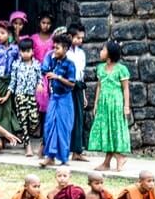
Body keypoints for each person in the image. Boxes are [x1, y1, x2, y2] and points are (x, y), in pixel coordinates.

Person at [88, 41, 131, 172]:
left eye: (103, 50)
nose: (100, 52)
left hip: (116, 103)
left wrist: (126, 106)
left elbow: (125, 89)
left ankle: (119, 158)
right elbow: (99, 86)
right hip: (103, 103)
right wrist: (96, 103)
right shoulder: (100, 68)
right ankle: (108, 162)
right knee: (106, 130)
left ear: (110, 54)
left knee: (114, 129)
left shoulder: (121, 69)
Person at [40, 33, 76, 167]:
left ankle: (64, 158)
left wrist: (58, 77)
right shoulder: (52, 60)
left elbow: (72, 84)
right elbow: (43, 70)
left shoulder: (70, 64)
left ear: (66, 48)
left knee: (63, 127)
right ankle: (50, 156)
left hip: (65, 99)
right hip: (53, 98)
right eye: (54, 47)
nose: (55, 50)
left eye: (58, 48)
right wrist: (50, 55)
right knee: (50, 126)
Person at [0, 21, 20, 150]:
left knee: (10, 109)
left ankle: (8, 137)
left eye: (3, 33)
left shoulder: (15, 49)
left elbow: (18, 66)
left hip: (11, 81)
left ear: (10, 34)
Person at [9, 38, 42, 157]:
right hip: (19, 95)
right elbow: (13, 81)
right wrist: (8, 94)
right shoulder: (16, 64)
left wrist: (40, 85)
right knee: (23, 120)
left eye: (28, 51)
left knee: (33, 120)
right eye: (22, 51)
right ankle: (27, 145)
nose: (25, 53)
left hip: (31, 95)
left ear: (32, 51)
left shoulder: (37, 64)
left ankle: (29, 133)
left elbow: (40, 78)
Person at [67, 23, 89, 162]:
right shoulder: (65, 52)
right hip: (67, 87)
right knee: (69, 118)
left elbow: (82, 74)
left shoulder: (81, 53)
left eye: (81, 38)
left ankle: (77, 151)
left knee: (79, 119)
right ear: (70, 37)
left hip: (79, 87)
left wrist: (84, 94)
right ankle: (65, 149)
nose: (80, 41)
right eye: (77, 38)